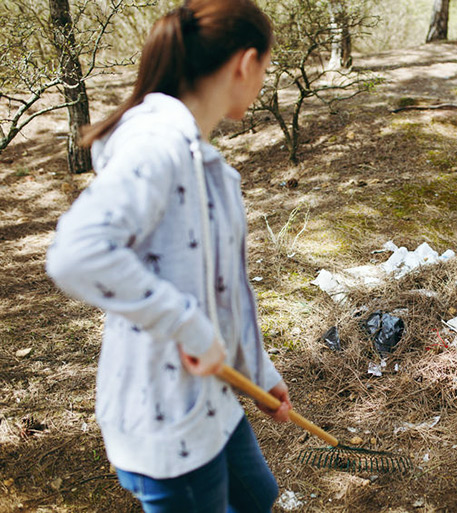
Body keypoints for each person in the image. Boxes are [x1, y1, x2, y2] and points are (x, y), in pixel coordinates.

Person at [45, 0, 291, 511]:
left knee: (258, 498)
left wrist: (260, 370)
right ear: (245, 63)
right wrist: (189, 326)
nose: (262, 81)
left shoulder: (208, 163)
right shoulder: (157, 147)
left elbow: (224, 288)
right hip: (166, 421)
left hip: (215, 405)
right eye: (264, 68)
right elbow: (75, 253)